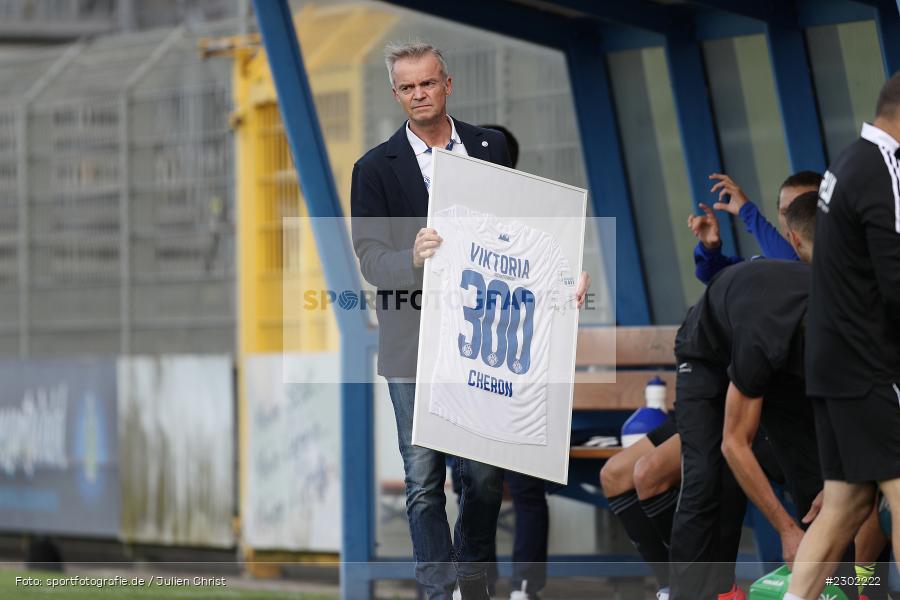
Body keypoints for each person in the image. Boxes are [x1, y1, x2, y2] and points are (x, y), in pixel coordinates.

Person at [350, 43, 589, 600]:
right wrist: (410, 257)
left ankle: (473, 583)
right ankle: (440, 593)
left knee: (483, 478)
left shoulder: (491, 146)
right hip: (413, 347)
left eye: (427, 84)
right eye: (407, 88)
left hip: (485, 340)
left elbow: (523, 239)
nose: (418, 95)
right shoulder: (374, 168)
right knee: (423, 482)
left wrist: (561, 280)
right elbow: (369, 259)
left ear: (447, 84)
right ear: (396, 94)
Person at [785, 72, 900, 600]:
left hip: (832, 366)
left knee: (846, 507)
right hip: (870, 367)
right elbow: (895, 279)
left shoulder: (847, 162)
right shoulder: (882, 169)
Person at [447, 124, 549, 600]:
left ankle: (524, 587)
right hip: (471, 369)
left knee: (523, 485)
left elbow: (554, 286)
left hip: (520, 369)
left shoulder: (537, 222)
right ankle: (477, 585)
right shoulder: (459, 220)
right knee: (469, 483)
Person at [688, 171, 821, 283]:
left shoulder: (832, 263)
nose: (790, 220)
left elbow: (795, 270)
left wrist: (749, 214)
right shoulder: (765, 264)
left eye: (800, 211)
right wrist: (709, 250)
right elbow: (711, 275)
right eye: (785, 212)